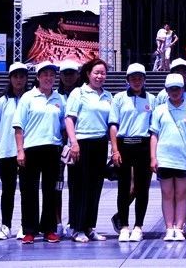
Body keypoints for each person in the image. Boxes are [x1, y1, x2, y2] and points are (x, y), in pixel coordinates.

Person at [13, 61, 66, 244]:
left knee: (51, 191)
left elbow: (64, 125)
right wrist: (20, 151)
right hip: (31, 149)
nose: (48, 78)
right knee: (29, 191)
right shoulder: (28, 98)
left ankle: (49, 229)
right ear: (38, 77)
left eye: (52, 75)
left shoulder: (59, 99)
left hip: (52, 149)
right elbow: (18, 126)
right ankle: (29, 230)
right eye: (45, 75)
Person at [150, 73, 186, 241]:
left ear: (183, 89)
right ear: (166, 90)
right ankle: (169, 228)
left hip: (183, 158)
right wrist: (153, 157)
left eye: (178, 89)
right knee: (167, 194)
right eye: (171, 89)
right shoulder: (159, 110)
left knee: (181, 194)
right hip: (164, 158)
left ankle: (179, 227)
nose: (175, 92)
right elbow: (154, 135)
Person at [65, 58, 112, 242]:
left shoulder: (108, 96)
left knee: (95, 187)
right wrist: (74, 143)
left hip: (100, 144)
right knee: (80, 187)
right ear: (88, 74)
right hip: (81, 144)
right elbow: (69, 119)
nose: (100, 76)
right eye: (96, 73)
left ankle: (90, 227)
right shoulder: (78, 93)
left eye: (103, 73)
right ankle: (77, 228)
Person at [109, 63, 154, 242]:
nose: (136, 81)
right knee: (123, 187)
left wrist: (153, 154)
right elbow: (113, 125)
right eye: (133, 78)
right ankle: (124, 226)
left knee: (142, 188)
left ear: (144, 79)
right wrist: (115, 150)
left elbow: (154, 128)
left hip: (143, 145)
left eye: (140, 78)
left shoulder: (152, 99)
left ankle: (138, 226)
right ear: (127, 80)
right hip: (124, 144)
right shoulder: (119, 98)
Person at [0, 62, 29, 240]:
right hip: (6, 152)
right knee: (8, 190)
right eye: (15, 76)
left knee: (26, 190)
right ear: (10, 79)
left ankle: (25, 225)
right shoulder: (2, 102)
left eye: (22, 76)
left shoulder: (31, 99)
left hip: (27, 151)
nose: (19, 80)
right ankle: (5, 225)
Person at [55, 59, 80, 238]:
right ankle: (57, 222)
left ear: (78, 75)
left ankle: (74, 221)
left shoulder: (82, 94)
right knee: (57, 184)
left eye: (72, 73)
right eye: (65, 73)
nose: (69, 77)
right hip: (58, 145)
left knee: (75, 184)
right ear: (60, 76)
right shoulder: (55, 95)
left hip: (77, 145)